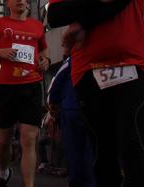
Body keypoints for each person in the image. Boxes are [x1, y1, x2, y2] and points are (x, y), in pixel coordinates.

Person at [46, 0, 144, 187]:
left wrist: (83, 22)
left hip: (134, 65)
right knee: (103, 149)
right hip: (89, 70)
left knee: (132, 137)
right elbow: (55, 15)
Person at [0, 0, 49, 187]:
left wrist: (46, 61)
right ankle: (3, 170)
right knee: (4, 141)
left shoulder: (36, 26)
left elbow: (43, 51)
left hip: (32, 85)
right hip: (8, 87)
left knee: (29, 139)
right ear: (7, 3)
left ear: (27, 1)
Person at [49, 28, 96, 187]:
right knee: (91, 151)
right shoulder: (96, 56)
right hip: (94, 109)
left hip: (71, 108)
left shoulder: (71, 60)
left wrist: (54, 104)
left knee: (74, 152)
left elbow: (56, 85)